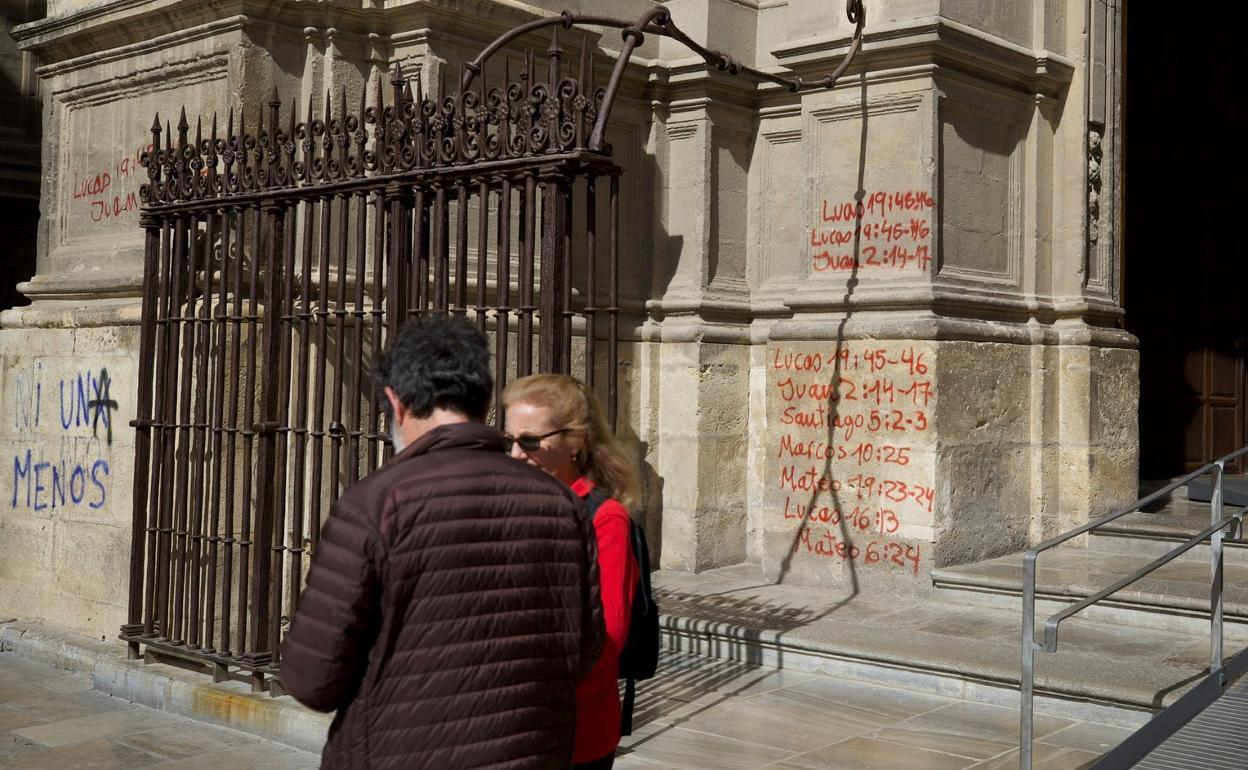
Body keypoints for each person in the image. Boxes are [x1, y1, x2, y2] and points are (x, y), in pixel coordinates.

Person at [280, 315, 605, 770]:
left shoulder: (374, 504)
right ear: (486, 401)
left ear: (396, 403)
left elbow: (312, 678)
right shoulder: (562, 503)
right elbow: (585, 646)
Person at [501, 374, 641, 770]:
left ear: (575, 441)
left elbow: (607, 639)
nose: (515, 454)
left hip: (571, 732)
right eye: (508, 439)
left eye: (530, 441)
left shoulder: (605, 519)